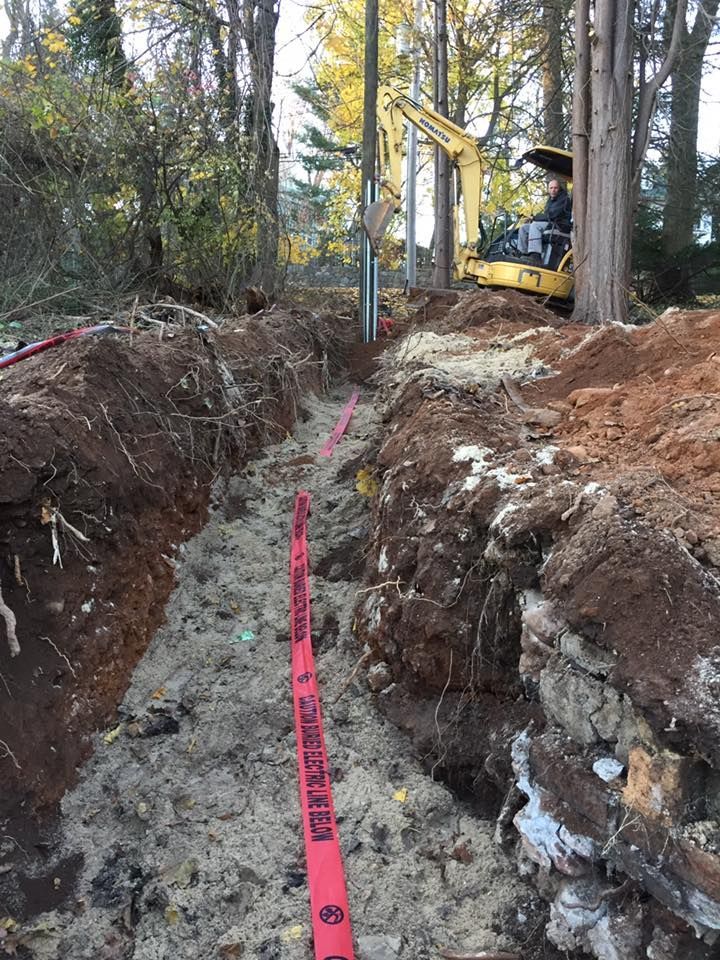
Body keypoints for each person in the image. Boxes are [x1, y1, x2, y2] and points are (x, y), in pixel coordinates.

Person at [516, 179, 572, 265]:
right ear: (548, 189)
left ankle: (535, 256)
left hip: (559, 226)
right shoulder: (550, 200)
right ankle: (522, 253)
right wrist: (533, 218)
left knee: (535, 226)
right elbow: (547, 216)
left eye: (555, 188)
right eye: (551, 188)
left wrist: (534, 217)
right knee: (524, 228)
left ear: (559, 188)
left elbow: (552, 216)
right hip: (551, 224)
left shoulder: (564, 199)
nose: (553, 190)